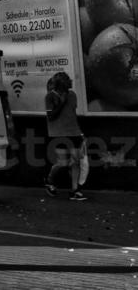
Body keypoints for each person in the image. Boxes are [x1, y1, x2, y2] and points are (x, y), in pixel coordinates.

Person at [44, 71, 88, 201]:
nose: (68, 85)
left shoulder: (72, 95)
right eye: (65, 83)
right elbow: (50, 116)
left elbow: (72, 114)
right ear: (59, 85)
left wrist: (80, 133)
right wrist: (61, 103)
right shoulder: (50, 97)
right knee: (63, 163)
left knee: (76, 163)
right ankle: (49, 180)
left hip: (74, 132)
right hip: (58, 133)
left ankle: (75, 190)